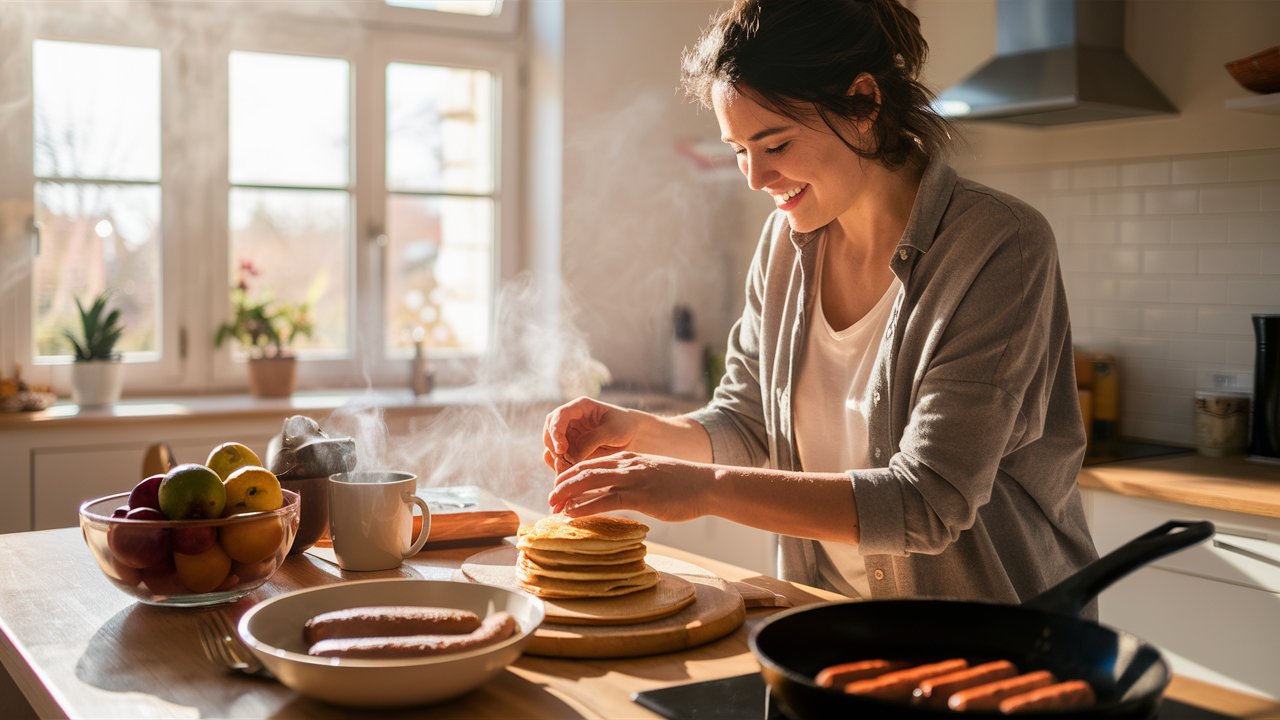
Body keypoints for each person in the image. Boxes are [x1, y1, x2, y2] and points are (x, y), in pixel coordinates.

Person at [542, 0, 1098, 609]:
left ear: (862, 104)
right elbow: (748, 424)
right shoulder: (784, 246)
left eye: (774, 143)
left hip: (992, 652)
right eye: (737, 150)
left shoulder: (998, 244)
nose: (754, 177)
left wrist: (702, 489)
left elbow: (927, 502)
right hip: (828, 629)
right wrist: (637, 432)